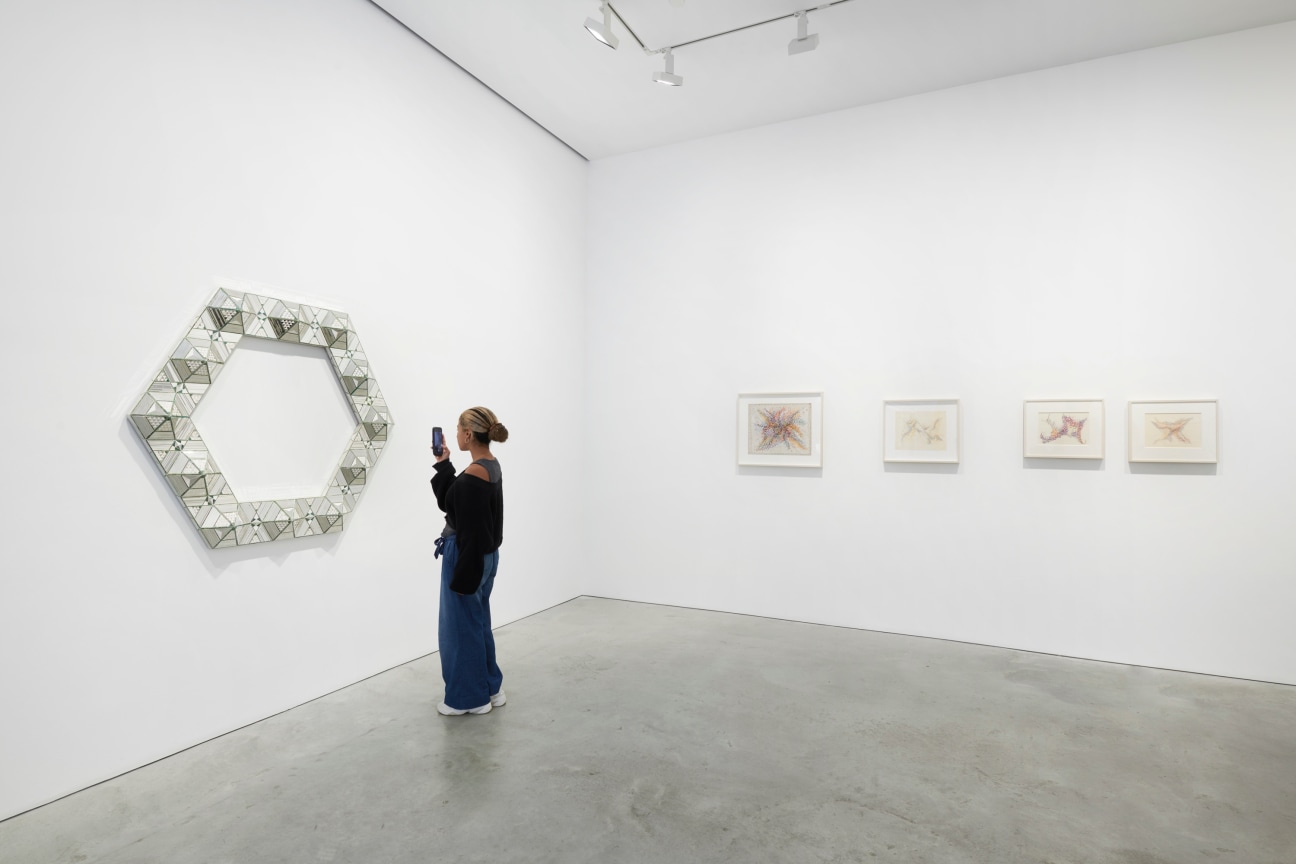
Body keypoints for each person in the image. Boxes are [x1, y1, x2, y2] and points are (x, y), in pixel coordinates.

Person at [430, 406, 508, 716]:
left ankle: (468, 699)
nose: (456, 434)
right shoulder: (490, 465)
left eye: (457, 429)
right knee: (477, 624)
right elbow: (452, 503)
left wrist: (463, 576)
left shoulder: (474, 475)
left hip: (467, 556)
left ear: (467, 433)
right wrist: (443, 463)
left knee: (459, 630)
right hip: (485, 555)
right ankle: (491, 688)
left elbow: (468, 525)